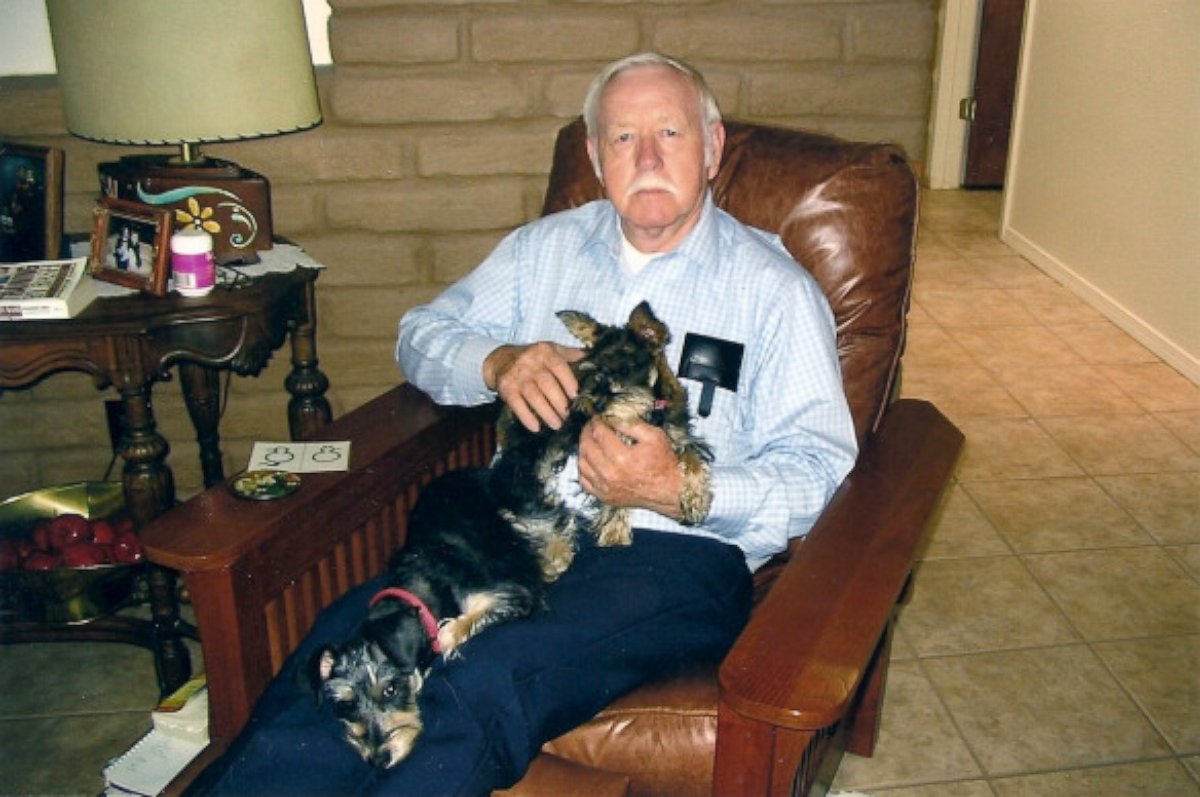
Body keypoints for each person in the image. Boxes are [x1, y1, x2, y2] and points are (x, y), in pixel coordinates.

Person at [191, 52, 857, 797]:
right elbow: (420, 333)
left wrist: (681, 487)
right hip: (510, 525)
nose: (646, 156)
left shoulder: (773, 290)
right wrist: (498, 359)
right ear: (593, 155)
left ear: (713, 147)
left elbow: (823, 469)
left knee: (486, 671)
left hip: (669, 555)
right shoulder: (544, 251)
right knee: (350, 649)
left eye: (669, 132)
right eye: (621, 138)